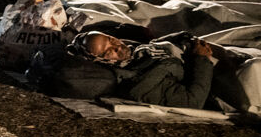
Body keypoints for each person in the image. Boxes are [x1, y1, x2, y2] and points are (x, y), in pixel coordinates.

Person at [44, 30, 217, 109]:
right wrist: (200, 59)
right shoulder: (142, 84)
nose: (117, 46)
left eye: (111, 40)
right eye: (108, 51)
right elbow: (193, 101)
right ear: (102, 61)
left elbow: (152, 46)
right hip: (217, 78)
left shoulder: (133, 52)